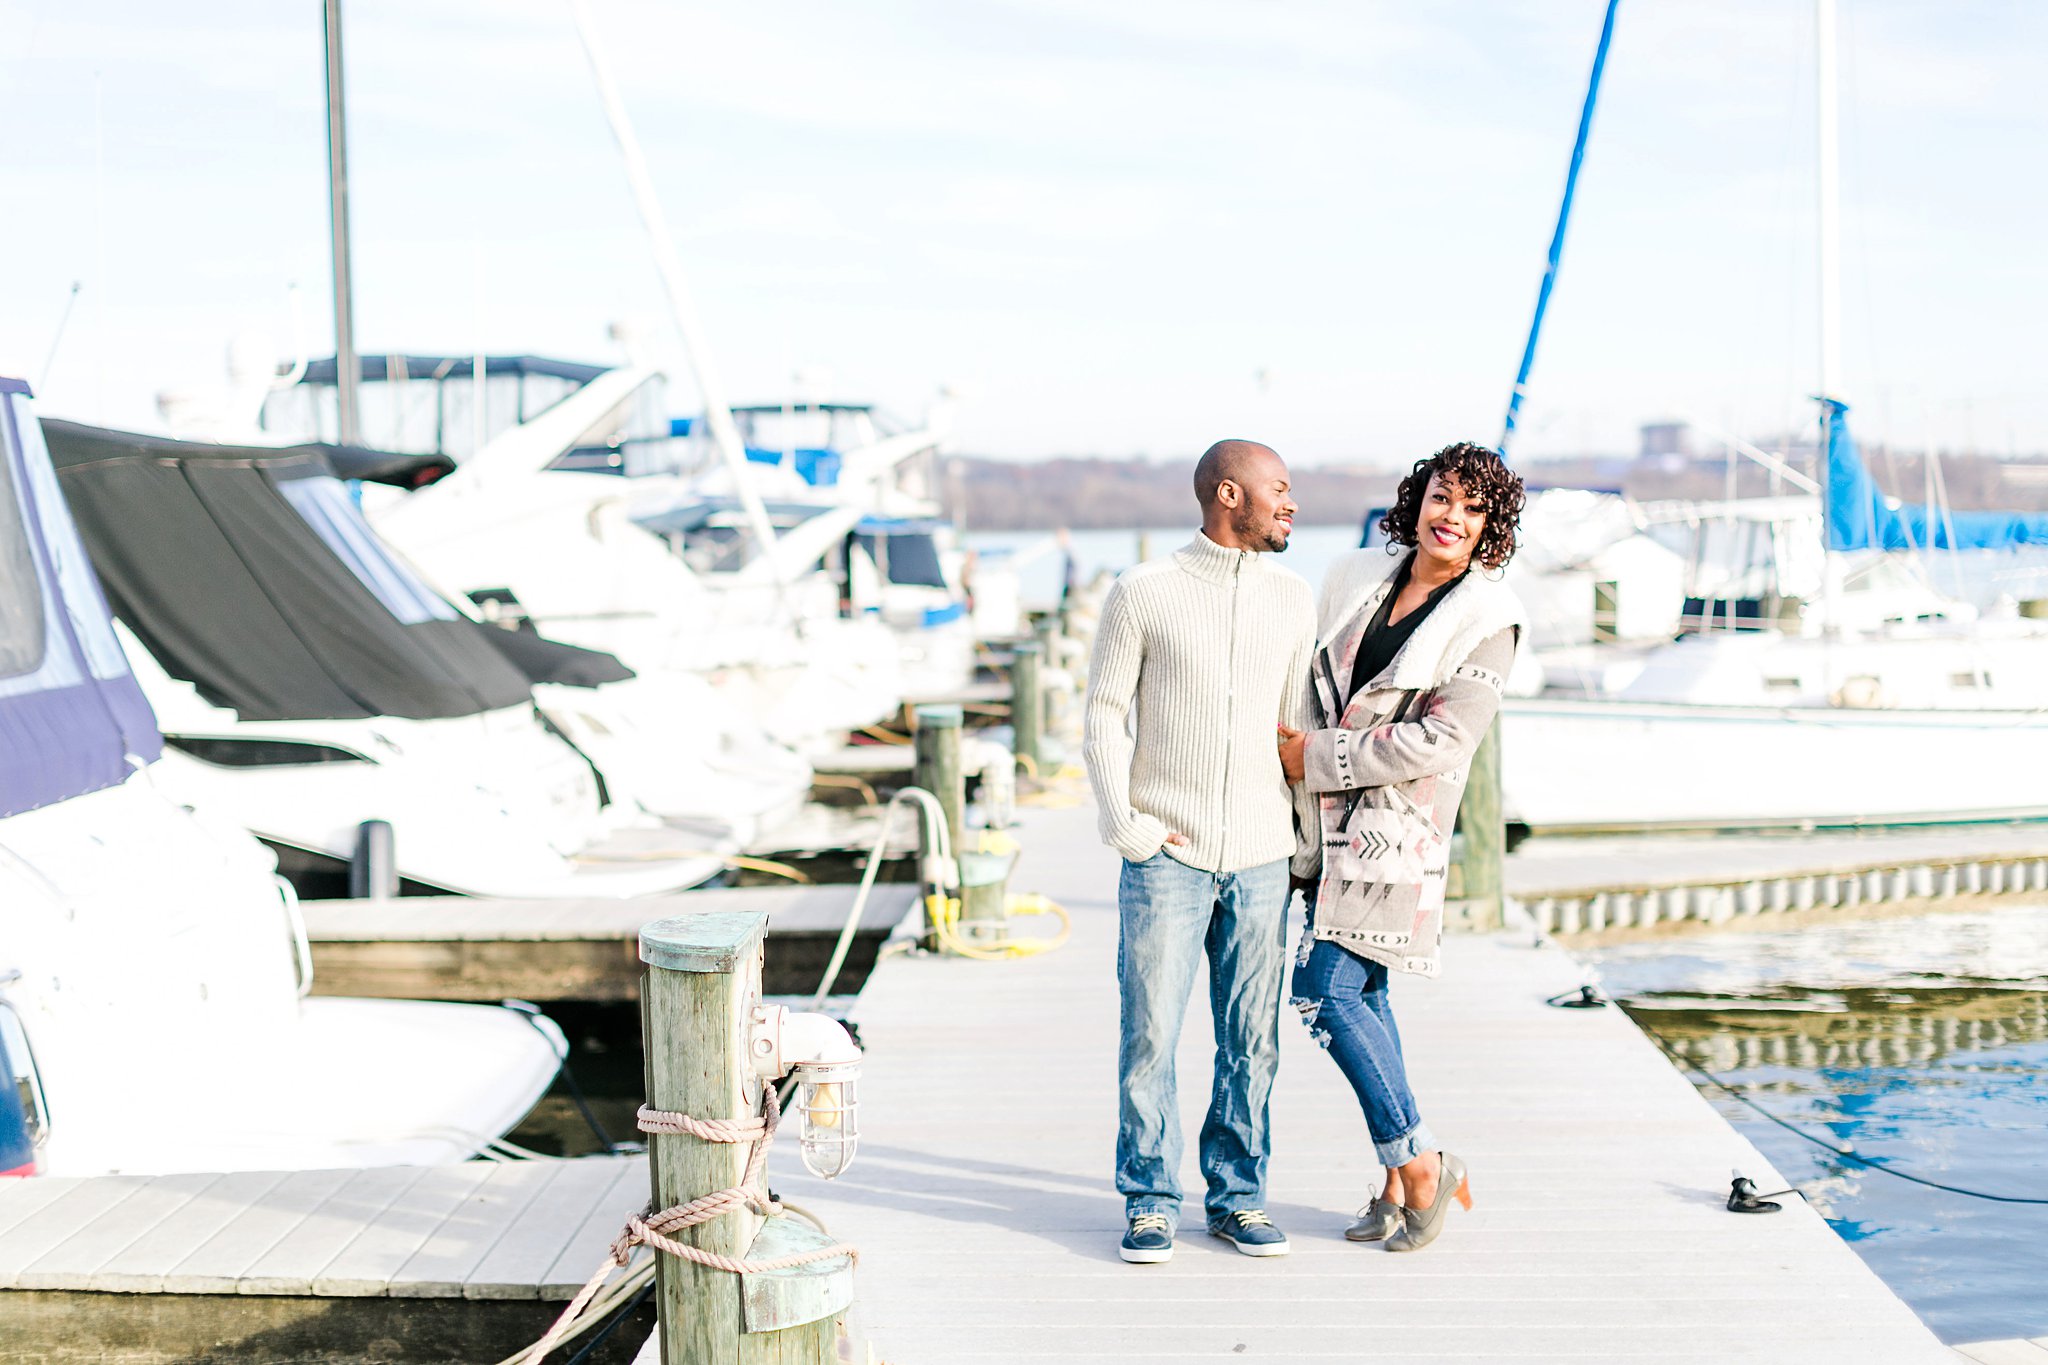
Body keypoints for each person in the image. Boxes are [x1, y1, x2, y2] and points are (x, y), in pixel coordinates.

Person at [1277, 440, 1527, 1253]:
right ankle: (1396, 1177)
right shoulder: (1355, 580)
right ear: (1418, 500)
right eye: (1442, 497)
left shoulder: (1490, 617)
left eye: (1473, 507)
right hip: (1320, 829)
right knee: (1368, 997)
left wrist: (1313, 760)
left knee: (1324, 991)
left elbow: (1446, 738)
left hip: (1391, 837)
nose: (1451, 516)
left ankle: (1422, 1165)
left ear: (1490, 527)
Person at [1083, 439, 1316, 1264]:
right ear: (1229, 493)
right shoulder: (1143, 591)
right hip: (1165, 856)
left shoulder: (1294, 598)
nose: (1291, 503)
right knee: (1149, 1032)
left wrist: (1303, 847)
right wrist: (1128, 824)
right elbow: (1105, 712)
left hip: (1260, 859)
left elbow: (1295, 733)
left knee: (1252, 1039)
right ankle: (1150, 1198)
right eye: (1278, 489)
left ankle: (1238, 1196)